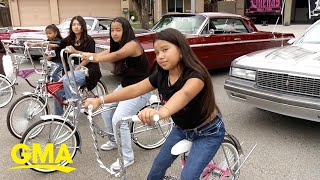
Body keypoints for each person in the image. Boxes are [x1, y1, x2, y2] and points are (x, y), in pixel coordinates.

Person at [84, 28, 226, 179]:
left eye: (165, 50)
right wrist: (101, 100)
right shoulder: (161, 75)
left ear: (181, 50)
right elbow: (135, 89)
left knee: (188, 176)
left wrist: (160, 112)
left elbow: (183, 95)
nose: (160, 56)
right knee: (157, 166)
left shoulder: (196, 76)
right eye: (157, 52)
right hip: (181, 129)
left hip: (207, 132)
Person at [80, 17, 151, 170]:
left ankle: (127, 157)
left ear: (126, 30)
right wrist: (81, 54)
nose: (115, 33)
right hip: (126, 87)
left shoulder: (132, 45)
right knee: (106, 110)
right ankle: (113, 140)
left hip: (140, 89)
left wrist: (91, 58)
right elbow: (101, 54)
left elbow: (114, 56)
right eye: (112, 30)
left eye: (118, 30)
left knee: (119, 120)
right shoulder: (118, 45)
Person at [54, 15, 102, 115]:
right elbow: (58, 44)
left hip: (87, 68)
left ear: (82, 26)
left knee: (67, 80)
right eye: (74, 24)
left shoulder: (89, 40)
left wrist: (77, 68)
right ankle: (58, 117)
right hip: (74, 68)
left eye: (78, 24)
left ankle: (75, 106)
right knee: (57, 87)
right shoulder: (69, 39)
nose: (76, 27)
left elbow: (89, 58)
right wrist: (40, 44)